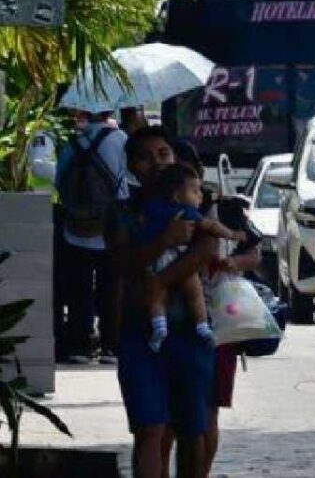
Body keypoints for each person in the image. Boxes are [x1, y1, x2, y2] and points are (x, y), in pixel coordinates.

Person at [113, 126, 218, 478]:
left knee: (191, 429)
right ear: (131, 165)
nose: (156, 163)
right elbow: (122, 263)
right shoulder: (123, 213)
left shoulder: (192, 199)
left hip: (188, 329)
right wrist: (164, 242)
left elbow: (207, 250)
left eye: (163, 154)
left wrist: (158, 281)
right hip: (139, 332)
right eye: (144, 157)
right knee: (149, 429)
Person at [164, 139, 263, 476]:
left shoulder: (228, 212)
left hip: (219, 324)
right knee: (169, 418)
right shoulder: (155, 215)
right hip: (170, 322)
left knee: (207, 411)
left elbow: (254, 253)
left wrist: (233, 262)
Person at [141, 164, 244, 352]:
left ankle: (159, 327)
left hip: (155, 260)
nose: (200, 195)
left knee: (156, 297)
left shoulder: (151, 207)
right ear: (177, 196)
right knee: (195, 293)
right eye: (195, 190)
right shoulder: (184, 211)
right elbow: (211, 226)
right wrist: (231, 234)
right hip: (177, 258)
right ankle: (203, 326)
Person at [55, 109, 129, 364]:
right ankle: (111, 346)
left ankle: (79, 346)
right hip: (111, 225)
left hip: (76, 226)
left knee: (79, 288)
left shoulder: (72, 142)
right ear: (109, 111)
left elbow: (59, 181)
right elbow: (126, 179)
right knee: (112, 286)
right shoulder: (120, 139)